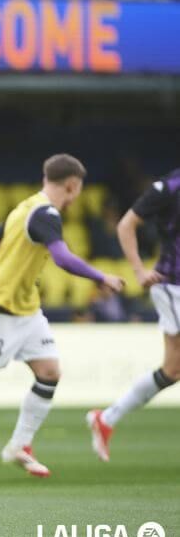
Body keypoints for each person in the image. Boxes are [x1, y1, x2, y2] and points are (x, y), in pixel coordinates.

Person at [0, 154, 124, 482]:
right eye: (78, 190)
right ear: (73, 186)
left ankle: (20, 445)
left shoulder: (25, 208)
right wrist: (100, 277)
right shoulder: (46, 214)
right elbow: (61, 257)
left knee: (49, 372)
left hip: (28, 310)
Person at [87, 171, 180, 461]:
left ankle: (107, 419)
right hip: (174, 285)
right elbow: (126, 224)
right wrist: (139, 271)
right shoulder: (169, 187)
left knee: (172, 370)